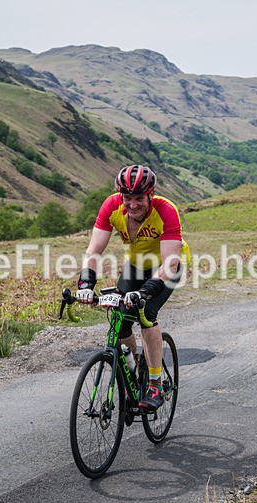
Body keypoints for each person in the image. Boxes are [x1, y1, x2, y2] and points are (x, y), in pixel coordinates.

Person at [76, 164, 190, 411]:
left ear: (151, 194)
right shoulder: (111, 206)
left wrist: (146, 291)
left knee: (146, 312)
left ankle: (155, 383)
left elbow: (170, 262)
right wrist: (86, 283)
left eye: (139, 198)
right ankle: (135, 360)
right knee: (120, 317)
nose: (133, 204)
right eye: (128, 198)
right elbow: (94, 250)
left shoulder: (166, 210)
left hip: (166, 266)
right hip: (136, 265)